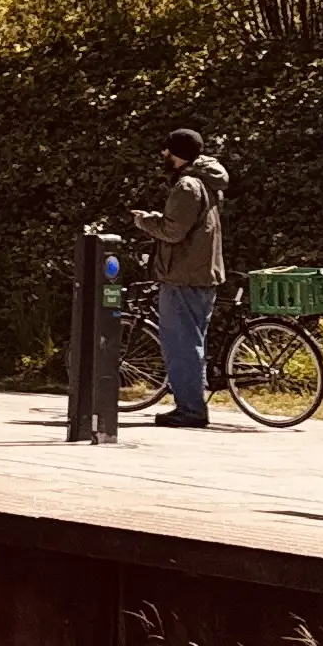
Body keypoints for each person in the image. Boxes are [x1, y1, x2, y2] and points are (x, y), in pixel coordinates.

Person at [127, 128, 230, 429]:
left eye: (167, 150)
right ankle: (191, 404)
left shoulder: (187, 185)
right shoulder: (206, 182)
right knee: (192, 342)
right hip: (201, 274)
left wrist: (144, 220)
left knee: (181, 344)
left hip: (184, 275)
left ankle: (190, 410)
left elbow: (173, 230)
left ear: (179, 154)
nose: (163, 154)